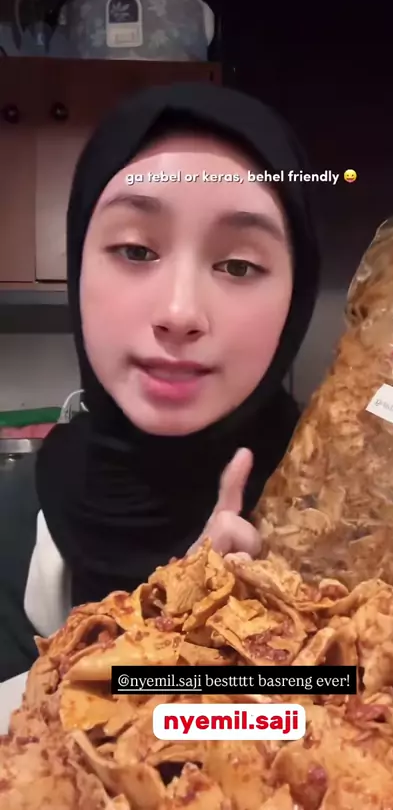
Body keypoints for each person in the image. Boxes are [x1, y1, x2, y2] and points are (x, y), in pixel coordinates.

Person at [0, 81, 320, 697]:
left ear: (297, 295)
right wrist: (176, 636)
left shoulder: (369, 525)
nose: (179, 312)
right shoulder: (17, 525)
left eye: (237, 265)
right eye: (136, 249)